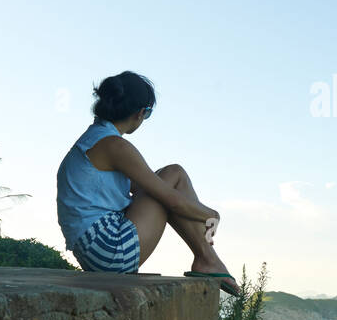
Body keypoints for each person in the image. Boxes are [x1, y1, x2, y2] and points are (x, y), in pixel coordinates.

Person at [56, 71, 240, 294]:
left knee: (171, 175)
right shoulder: (114, 146)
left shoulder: (93, 140)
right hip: (109, 250)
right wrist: (211, 215)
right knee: (175, 174)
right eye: (148, 113)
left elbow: (146, 189)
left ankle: (207, 258)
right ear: (141, 112)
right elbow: (172, 201)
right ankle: (207, 259)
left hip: (94, 251)